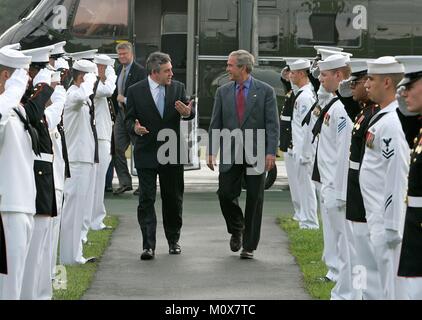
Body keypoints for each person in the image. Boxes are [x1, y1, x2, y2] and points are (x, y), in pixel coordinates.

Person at [207, 50, 279, 259]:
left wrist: (270, 152)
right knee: (225, 193)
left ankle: (249, 246)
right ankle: (237, 227)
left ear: (243, 68)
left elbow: (272, 125)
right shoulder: (223, 91)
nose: (227, 69)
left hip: (257, 152)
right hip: (231, 151)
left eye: (230, 65)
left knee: (255, 199)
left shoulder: (265, 91)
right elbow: (216, 123)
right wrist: (212, 150)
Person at [125, 52, 195, 260]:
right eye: (167, 71)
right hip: (146, 152)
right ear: (154, 73)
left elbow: (189, 112)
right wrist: (134, 129)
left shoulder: (178, 88)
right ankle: (148, 245)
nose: (172, 74)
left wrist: (186, 113)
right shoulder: (135, 91)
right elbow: (128, 120)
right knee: (146, 200)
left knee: (173, 199)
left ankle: (173, 240)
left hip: (171, 152)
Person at [360, 56, 409, 299]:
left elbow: (396, 174)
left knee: (391, 286)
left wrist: (392, 224)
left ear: (387, 82)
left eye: (371, 79)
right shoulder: (382, 117)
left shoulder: (391, 122)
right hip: (374, 213)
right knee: (377, 283)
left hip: (385, 217)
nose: (366, 84)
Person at [315, 54, 357, 299]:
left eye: (324, 74)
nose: (320, 78)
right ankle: (345, 285)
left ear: (339, 76)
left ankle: (350, 289)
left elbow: (344, 152)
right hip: (331, 184)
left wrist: (339, 191)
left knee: (348, 245)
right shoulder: (335, 103)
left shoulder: (341, 109)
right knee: (342, 242)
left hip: (338, 186)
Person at [340, 59, 383, 299]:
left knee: (364, 252)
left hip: (363, 192)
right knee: (358, 250)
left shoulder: (373, 115)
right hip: (356, 187)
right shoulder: (364, 112)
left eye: (356, 82)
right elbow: (348, 100)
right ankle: (359, 292)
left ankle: (367, 294)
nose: (354, 87)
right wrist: (350, 87)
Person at [0, 48, 33, 299]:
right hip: (7, 207)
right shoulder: (4, 106)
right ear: (5, 76)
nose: (28, 81)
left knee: (17, 281)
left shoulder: (16, 109)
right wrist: (12, 90)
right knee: (8, 285)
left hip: (23, 203)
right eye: (22, 75)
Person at [60, 59, 98, 265]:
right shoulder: (73, 94)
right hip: (76, 160)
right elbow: (80, 96)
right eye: (91, 77)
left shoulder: (80, 94)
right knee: (73, 210)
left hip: (85, 158)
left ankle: (75, 253)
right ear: (82, 77)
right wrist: (88, 82)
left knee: (80, 208)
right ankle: (70, 256)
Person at [394, 56, 422, 300]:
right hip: (415, 221)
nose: (404, 93)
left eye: (409, 87)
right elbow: (409, 134)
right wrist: (405, 109)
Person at [288, 59, 319, 230]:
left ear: (301, 74)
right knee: (303, 186)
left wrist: (305, 152)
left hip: (305, 151)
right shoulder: (302, 94)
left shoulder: (305, 97)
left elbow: (308, 127)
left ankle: (310, 222)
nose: (290, 75)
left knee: (307, 187)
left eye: (293, 72)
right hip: (300, 149)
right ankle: (306, 220)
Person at [112, 42, 147, 195]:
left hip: (135, 116)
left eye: (124, 54)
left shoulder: (140, 72)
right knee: (117, 148)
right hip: (120, 115)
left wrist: (124, 99)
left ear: (131, 53)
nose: (122, 57)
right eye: (119, 54)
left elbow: (142, 95)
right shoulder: (118, 69)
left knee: (138, 150)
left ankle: (144, 184)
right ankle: (125, 182)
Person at [91, 54, 117, 230]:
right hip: (98, 135)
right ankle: (94, 220)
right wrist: (110, 76)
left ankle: (97, 218)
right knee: (97, 181)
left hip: (105, 133)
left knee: (98, 181)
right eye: (106, 68)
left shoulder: (100, 83)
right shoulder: (94, 84)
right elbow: (108, 90)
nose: (108, 72)